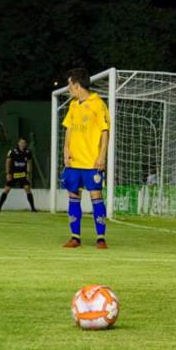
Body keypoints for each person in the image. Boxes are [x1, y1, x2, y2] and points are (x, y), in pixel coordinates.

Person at [61, 67, 110, 249]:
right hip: (74, 162)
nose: (68, 88)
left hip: (91, 162)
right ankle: (75, 237)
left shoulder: (98, 104)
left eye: (69, 85)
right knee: (74, 197)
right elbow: (69, 129)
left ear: (77, 85)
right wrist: (65, 149)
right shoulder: (73, 105)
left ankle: (101, 238)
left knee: (96, 196)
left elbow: (105, 132)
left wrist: (102, 156)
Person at [0, 138, 37, 212]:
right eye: (21, 142)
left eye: (24, 143)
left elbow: (29, 163)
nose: (22, 144)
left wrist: (28, 173)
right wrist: (8, 173)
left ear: (26, 144)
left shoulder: (28, 152)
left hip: (23, 174)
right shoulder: (13, 151)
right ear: (18, 143)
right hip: (13, 174)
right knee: (6, 189)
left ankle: (33, 208)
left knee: (27, 188)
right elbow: (8, 162)